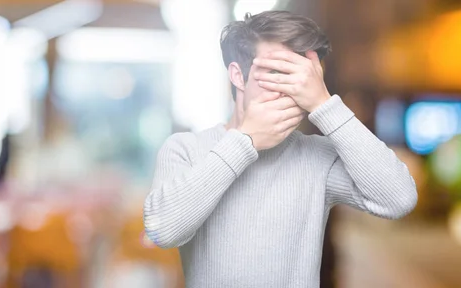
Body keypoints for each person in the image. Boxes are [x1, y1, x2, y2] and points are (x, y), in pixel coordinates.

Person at [143, 10, 417, 288]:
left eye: (301, 77)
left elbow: (399, 199)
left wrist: (324, 104)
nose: (292, 90)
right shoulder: (185, 149)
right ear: (238, 76)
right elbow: (162, 230)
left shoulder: (316, 157)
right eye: (278, 74)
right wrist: (244, 141)